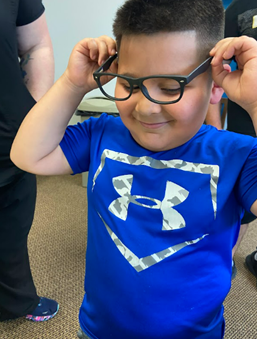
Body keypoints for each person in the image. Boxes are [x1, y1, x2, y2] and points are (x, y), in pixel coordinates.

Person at [10, 0, 257, 337]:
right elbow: (28, 155)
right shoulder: (101, 133)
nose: (146, 107)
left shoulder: (239, 155)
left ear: (216, 85)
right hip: (99, 330)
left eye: (171, 88)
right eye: (129, 84)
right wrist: (72, 83)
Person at [0, 0, 59, 322]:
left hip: (8, 133)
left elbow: (36, 44)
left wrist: (32, 115)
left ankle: (14, 300)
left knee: (12, 224)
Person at [206, 0, 257, 280]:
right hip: (243, 118)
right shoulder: (240, 9)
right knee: (242, 197)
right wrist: (214, 131)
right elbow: (214, 67)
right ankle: (226, 256)